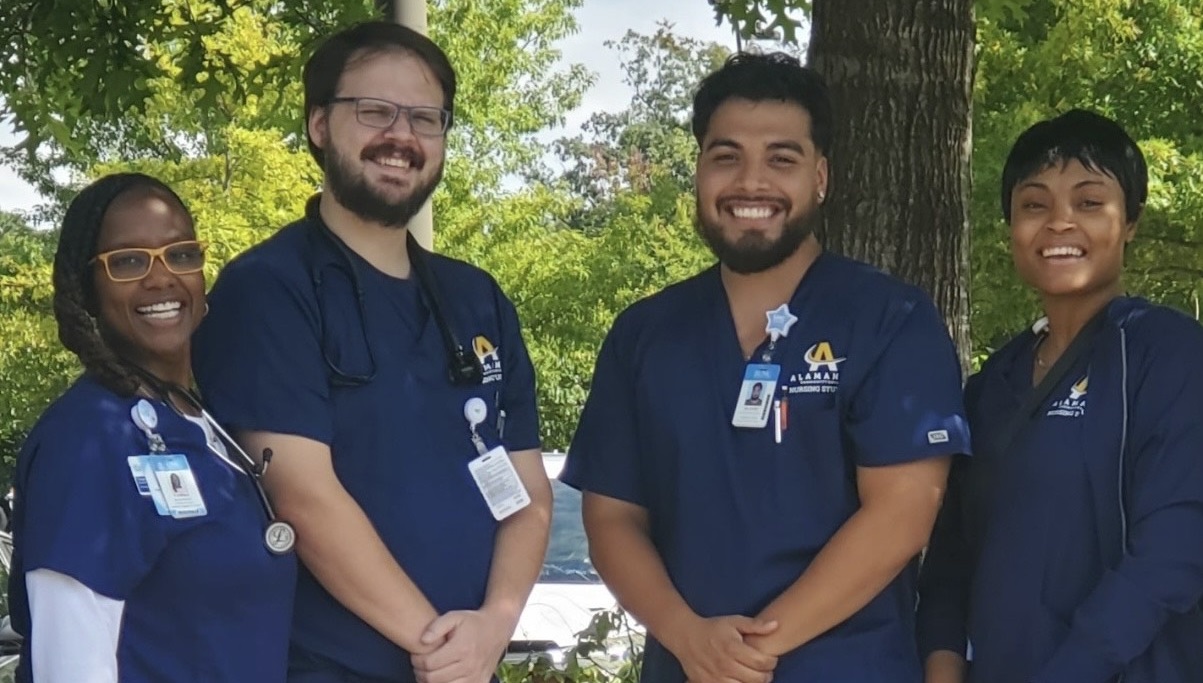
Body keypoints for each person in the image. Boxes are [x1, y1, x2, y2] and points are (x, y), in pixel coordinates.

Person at [561, 52, 971, 683]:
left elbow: (904, 513)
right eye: (726, 157)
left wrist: (750, 652)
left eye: (782, 159)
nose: (752, 182)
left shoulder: (890, 320)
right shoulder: (646, 334)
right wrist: (687, 638)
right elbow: (612, 516)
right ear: (699, 170)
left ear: (822, 176)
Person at [191, 20, 552, 683]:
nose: (401, 136)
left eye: (424, 118)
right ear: (320, 125)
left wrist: (495, 622)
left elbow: (527, 494)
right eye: (374, 112)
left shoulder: (476, 300)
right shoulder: (267, 290)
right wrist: (442, 651)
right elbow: (302, 496)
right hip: (325, 664)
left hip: (466, 660)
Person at [917, 110, 1203, 683]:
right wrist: (942, 666)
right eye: (1034, 204)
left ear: (1131, 223)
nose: (1059, 223)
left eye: (1090, 202)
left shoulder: (1167, 353)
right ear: (1011, 228)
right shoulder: (989, 386)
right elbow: (950, 561)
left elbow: (1175, 546)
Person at [6, 172, 296, 682]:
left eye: (181, 255)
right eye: (128, 262)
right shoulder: (89, 441)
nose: (161, 279)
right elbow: (69, 667)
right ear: (87, 287)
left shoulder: (201, 423)